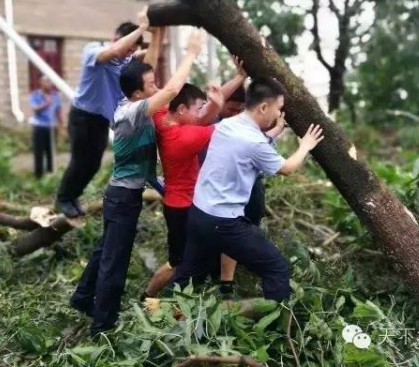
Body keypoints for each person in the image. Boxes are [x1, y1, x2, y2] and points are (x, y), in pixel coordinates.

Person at [69, 29, 205, 336]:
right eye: (150, 85)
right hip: (121, 199)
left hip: (123, 196)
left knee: (105, 251)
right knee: (114, 262)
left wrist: (154, 32)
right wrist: (192, 53)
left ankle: (82, 298)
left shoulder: (138, 106)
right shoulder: (131, 112)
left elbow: (143, 169)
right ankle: (103, 325)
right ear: (137, 94)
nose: (156, 86)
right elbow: (171, 91)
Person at [170, 77, 324, 302]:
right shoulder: (253, 141)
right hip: (223, 222)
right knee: (276, 268)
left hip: (199, 212)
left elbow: (246, 147)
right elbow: (287, 168)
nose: (278, 114)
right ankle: (276, 330)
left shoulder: (227, 125)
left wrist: (275, 132)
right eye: (278, 109)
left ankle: (162, 312)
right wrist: (305, 146)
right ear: (263, 107)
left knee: (186, 275)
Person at [141, 65, 248, 300]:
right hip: (184, 208)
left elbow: (205, 112)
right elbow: (228, 124)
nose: (201, 113)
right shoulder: (184, 137)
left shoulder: (162, 118)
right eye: (197, 108)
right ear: (181, 109)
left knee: (179, 263)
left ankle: (148, 299)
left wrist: (239, 77)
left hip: (176, 203)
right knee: (182, 267)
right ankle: (158, 304)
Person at [55, 8, 150, 218]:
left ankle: (74, 196)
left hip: (101, 120)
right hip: (82, 115)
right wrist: (142, 27)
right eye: (127, 47)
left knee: (94, 163)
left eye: (131, 50)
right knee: (80, 160)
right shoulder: (94, 50)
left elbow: (146, 55)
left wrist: (157, 32)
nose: (128, 53)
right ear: (115, 38)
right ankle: (63, 198)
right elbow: (115, 52)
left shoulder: (126, 62)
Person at [28, 76, 63, 179]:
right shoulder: (35, 95)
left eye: (50, 81)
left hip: (52, 127)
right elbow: (35, 109)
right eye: (46, 81)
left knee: (51, 151)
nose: (49, 84)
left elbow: (59, 112)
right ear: (41, 83)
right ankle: (38, 176)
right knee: (39, 152)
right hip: (39, 127)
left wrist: (62, 127)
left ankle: (50, 174)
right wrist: (46, 104)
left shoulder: (56, 96)